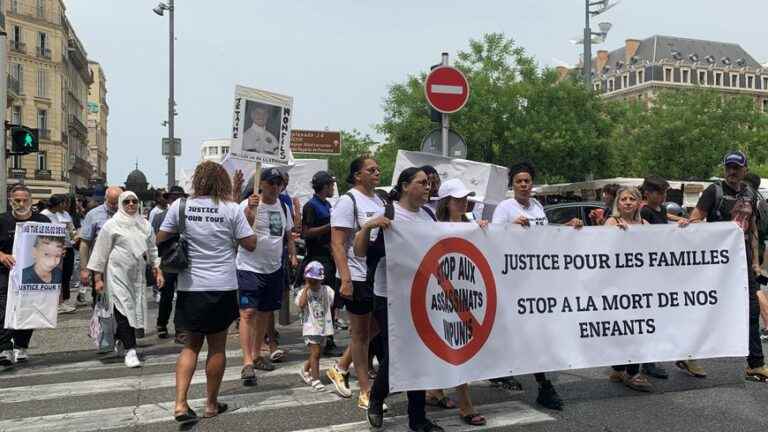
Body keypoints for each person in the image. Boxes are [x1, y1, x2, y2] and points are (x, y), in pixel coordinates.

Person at [157, 161, 256, 424]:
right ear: (222, 182)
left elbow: (161, 238)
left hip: (191, 286)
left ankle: (180, 403)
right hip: (222, 285)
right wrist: (248, 219)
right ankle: (211, 404)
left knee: (190, 346)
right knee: (217, 346)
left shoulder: (180, 206)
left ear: (197, 181)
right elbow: (250, 244)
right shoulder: (232, 209)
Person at [358, 167, 444, 431]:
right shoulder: (388, 213)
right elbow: (359, 251)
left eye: (429, 183)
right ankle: (375, 397)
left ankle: (417, 418)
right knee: (397, 354)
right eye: (422, 182)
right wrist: (369, 226)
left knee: (417, 353)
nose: (428, 187)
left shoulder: (429, 215)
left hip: (420, 295)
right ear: (406, 186)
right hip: (389, 296)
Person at [492, 161, 583, 410]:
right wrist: (510, 228)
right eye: (519, 181)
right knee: (523, 331)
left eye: (527, 181)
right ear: (512, 184)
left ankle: (540, 383)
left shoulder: (537, 206)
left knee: (535, 332)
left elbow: (544, 236)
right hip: (514, 280)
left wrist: (567, 228)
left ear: (532, 184)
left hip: (537, 280)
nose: (523, 185)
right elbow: (492, 238)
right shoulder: (504, 208)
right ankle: (541, 384)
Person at [685, 151, 768, 382]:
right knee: (705, 310)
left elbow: (751, 229)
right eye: (728, 167)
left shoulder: (750, 193)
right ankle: (688, 354)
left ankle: (755, 364)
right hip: (717, 266)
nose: (732, 172)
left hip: (742, 265)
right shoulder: (714, 191)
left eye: (737, 168)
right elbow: (695, 219)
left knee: (751, 311)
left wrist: (754, 263)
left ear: (745, 169)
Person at [418, 178, 487, 426]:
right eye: (457, 199)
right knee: (456, 342)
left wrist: (483, 230)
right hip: (442, 292)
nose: (463, 202)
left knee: (455, 341)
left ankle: (436, 390)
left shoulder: (470, 223)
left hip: (467, 291)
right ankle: (465, 404)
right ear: (446, 202)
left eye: (465, 198)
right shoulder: (434, 226)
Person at [327, 155, 384, 407]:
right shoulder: (347, 201)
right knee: (360, 335)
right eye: (370, 169)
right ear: (357, 175)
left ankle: (340, 367)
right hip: (357, 275)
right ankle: (365, 391)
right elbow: (337, 244)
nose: (376, 172)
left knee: (376, 328)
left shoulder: (380, 199)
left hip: (377, 276)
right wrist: (346, 279)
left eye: (378, 169)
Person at [87, 191, 162, 368]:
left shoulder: (144, 225)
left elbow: (152, 250)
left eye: (134, 201)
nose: (130, 204)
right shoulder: (111, 225)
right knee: (123, 310)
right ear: (121, 203)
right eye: (126, 201)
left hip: (137, 277)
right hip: (116, 276)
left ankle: (121, 339)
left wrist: (157, 271)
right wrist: (97, 279)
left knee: (134, 311)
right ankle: (131, 350)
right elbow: (100, 253)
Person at [237, 167, 297, 382]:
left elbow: (288, 234)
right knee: (248, 312)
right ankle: (246, 362)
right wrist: (250, 212)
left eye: (279, 183)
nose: (275, 187)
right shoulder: (248, 204)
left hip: (273, 267)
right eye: (271, 182)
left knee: (264, 313)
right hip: (249, 267)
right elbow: (240, 232)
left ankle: (256, 354)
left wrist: (292, 255)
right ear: (261, 184)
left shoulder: (283, 206)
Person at [604, 186, 654, 391]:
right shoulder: (611, 223)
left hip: (640, 285)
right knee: (623, 327)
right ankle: (626, 371)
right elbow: (600, 250)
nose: (626, 202)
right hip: (618, 285)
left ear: (639, 203)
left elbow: (659, 245)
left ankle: (629, 370)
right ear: (618, 202)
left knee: (637, 327)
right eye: (623, 199)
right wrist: (619, 236)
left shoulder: (645, 224)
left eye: (631, 199)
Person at [0, 185, 51, 366]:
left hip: (33, 272)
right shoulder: (2, 220)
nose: (21, 204)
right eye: (17, 200)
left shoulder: (43, 221)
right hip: (6, 273)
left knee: (30, 308)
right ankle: (4, 347)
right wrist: (1, 255)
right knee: (4, 307)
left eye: (24, 200)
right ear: (10, 201)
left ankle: (21, 346)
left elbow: (53, 245)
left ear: (31, 200)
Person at [301, 171, 340, 355]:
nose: (333, 188)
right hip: (318, 258)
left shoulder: (327, 204)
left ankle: (328, 338)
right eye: (331, 185)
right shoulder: (311, 206)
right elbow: (306, 232)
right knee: (321, 301)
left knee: (330, 299)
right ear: (324, 186)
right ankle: (319, 341)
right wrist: (329, 226)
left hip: (330, 257)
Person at [151, 186, 187, 339]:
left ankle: (179, 329)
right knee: (167, 295)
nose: (176, 200)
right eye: (173, 197)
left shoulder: (188, 215)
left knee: (182, 295)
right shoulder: (160, 217)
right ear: (169, 199)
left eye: (179, 197)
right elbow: (154, 240)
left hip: (183, 260)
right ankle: (162, 324)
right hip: (168, 260)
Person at [295, 261, 335, 391]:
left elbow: (331, 303)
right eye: (310, 280)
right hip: (310, 327)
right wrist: (306, 288)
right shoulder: (304, 292)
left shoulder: (327, 290)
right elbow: (300, 305)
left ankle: (305, 369)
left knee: (316, 353)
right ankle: (315, 378)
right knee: (316, 353)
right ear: (306, 279)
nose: (313, 284)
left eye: (315, 281)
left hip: (323, 327)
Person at [80, 186, 122, 306]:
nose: (114, 206)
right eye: (111, 202)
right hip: (101, 267)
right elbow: (85, 244)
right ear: (105, 198)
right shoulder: (93, 215)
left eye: (117, 203)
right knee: (100, 302)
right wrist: (84, 270)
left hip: (122, 266)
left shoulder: (127, 214)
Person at [40, 195, 76, 313]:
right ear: (59, 203)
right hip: (53, 251)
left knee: (66, 275)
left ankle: (63, 300)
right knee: (55, 276)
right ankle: (55, 302)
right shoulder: (44, 215)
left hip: (67, 248)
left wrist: (74, 237)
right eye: (64, 203)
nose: (66, 206)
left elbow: (71, 230)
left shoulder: (65, 214)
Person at [744, 173, 768, 342]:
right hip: (758, 250)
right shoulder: (763, 203)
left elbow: (754, 230)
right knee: (754, 289)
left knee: (756, 291)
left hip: (751, 251)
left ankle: (767, 325)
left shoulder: (752, 202)